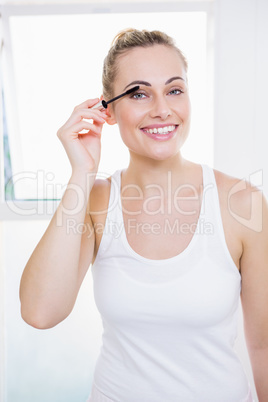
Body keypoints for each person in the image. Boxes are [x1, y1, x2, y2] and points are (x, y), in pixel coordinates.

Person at [19, 29, 268, 402]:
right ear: (109, 110)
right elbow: (40, 312)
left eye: (174, 90)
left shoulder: (242, 203)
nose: (162, 109)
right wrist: (81, 174)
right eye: (138, 93)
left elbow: (264, 346)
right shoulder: (95, 201)